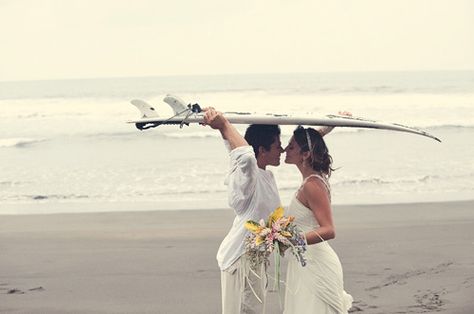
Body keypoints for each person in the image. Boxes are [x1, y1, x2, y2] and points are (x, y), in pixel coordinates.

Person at [203, 108, 334, 314]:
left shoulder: (267, 176)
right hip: (240, 258)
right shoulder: (248, 174)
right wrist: (224, 126)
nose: (282, 150)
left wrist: (325, 129)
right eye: (278, 145)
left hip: (257, 259)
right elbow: (244, 155)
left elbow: (303, 150)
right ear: (262, 150)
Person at [283, 126, 353, 314]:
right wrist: (327, 127)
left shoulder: (312, 185)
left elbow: (329, 230)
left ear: (305, 154)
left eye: (291, 146)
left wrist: (291, 240)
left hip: (316, 263)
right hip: (306, 262)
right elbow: (312, 141)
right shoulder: (312, 179)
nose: (284, 149)